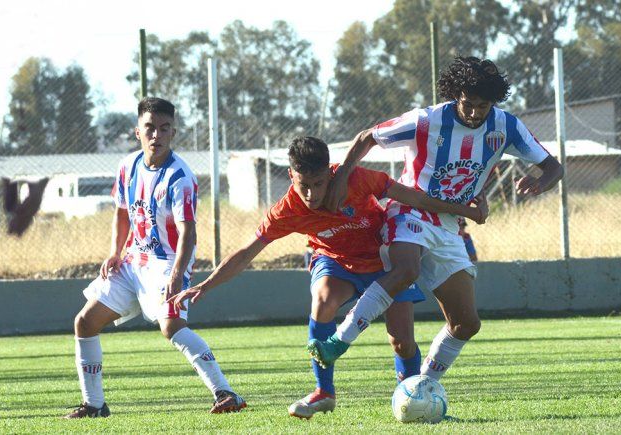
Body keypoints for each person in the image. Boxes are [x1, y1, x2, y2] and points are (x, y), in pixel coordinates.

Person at [168, 136, 486, 419]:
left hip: (384, 260)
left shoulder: (358, 179)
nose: (312, 193)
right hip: (336, 263)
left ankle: (410, 396)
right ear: (291, 175)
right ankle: (324, 392)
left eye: (319, 183)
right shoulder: (287, 210)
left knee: (401, 342)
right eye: (303, 185)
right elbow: (247, 252)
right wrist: (206, 284)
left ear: (331, 173)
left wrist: (467, 211)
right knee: (323, 299)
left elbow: (414, 197)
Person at [308, 56, 564, 384]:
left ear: (494, 102)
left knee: (466, 324)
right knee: (407, 270)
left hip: (449, 225)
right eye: (468, 104)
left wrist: (540, 182)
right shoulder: (426, 120)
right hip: (409, 210)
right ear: (455, 95)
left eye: (483, 106)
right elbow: (367, 137)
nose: (474, 113)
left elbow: (553, 167)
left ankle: (423, 387)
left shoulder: (507, 127)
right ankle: (338, 342)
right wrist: (342, 176)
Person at [64, 98, 244, 419]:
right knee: (85, 322)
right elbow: (122, 213)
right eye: (149, 127)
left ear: (173, 132)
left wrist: (176, 274)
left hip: (168, 262)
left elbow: (188, 233)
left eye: (164, 128)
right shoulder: (127, 166)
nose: (156, 135)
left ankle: (225, 392)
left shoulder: (179, 177)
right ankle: (94, 405)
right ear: (138, 131)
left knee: (171, 325)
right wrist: (115, 252)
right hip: (134, 259)